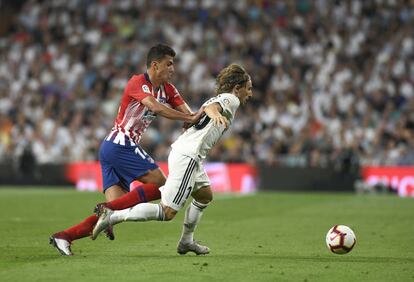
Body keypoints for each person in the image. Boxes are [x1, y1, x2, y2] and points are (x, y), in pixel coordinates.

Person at [50, 44, 202, 256]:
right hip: (120, 144)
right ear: (155, 65)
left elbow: (190, 113)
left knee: (115, 211)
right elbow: (157, 108)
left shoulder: (169, 89)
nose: (172, 69)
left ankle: (64, 236)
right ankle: (106, 209)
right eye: (169, 64)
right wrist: (189, 118)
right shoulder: (137, 82)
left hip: (113, 149)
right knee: (162, 185)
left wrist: (200, 115)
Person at [91, 63, 253, 255]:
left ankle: (186, 242)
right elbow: (211, 108)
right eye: (248, 89)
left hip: (190, 154)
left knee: (204, 196)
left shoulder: (222, 97)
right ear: (237, 88)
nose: (250, 94)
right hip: (188, 156)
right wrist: (215, 114)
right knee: (167, 212)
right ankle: (113, 216)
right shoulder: (231, 99)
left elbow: (205, 109)